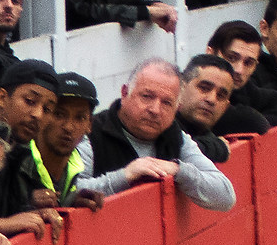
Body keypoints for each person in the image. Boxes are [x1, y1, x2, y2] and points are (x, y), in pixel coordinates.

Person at [85, 60, 237, 207]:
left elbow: (225, 195)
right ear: (125, 93)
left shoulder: (175, 135)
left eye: (166, 103)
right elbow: (70, 193)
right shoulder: (89, 132)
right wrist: (125, 175)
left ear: (177, 107)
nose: (155, 110)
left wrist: (178, 170)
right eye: (147, 96)